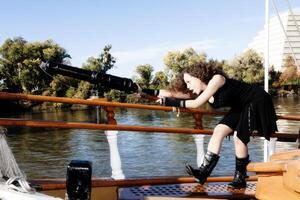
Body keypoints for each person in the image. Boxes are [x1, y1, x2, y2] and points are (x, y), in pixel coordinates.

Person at [139, 61, 278, 189]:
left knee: (238, 136)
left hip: (257, 100)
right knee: (218, 130)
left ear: (199, 76)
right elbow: (172, 93)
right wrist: (144, 92)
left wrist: (169, 102)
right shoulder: (201, 92)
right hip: (241, 106)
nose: (188, 86)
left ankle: (240, 178)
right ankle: (203, 172)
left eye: (189, 81)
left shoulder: (217, 79)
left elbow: (195, 104)